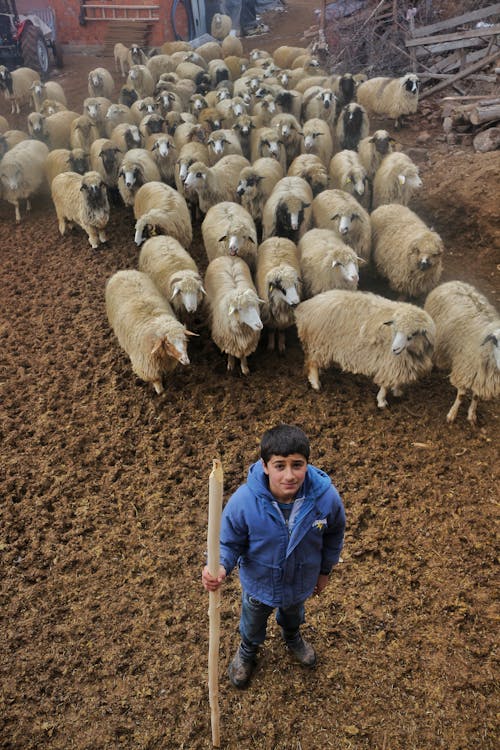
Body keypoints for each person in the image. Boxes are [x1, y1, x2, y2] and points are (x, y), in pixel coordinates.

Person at [202, 424, 345, 689]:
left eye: (297, 465)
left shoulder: (326, 499)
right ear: (265, 466)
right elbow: (228, 541)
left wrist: (324, 572)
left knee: (293, 613)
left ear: (307, 464)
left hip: (300, 582)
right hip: (260, 584)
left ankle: (292, 636)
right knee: (253, 621)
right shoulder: (244, 502)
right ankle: (248, 649)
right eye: (280, 466)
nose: (289, 475)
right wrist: (220, 565)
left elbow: (334, 536)